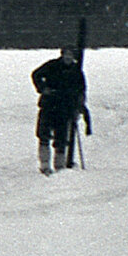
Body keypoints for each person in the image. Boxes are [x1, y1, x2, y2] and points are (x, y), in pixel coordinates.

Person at [31, 45, 87, 175]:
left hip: (66, 108)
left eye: (70, 55)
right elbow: (36, 75)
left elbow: (81, 91)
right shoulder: (52, 65)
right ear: (62, 54)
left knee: (61, 138)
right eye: (66, 54)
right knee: (44, 135)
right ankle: (44, 165)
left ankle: (59, 166)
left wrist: (79, 108)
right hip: (48, 105)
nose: (68, 57)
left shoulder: (76, 71)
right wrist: (42, 88)